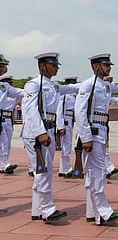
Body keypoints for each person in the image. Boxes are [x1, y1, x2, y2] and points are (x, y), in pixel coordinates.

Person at [75, 53, 118, 226]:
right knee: (97, 173)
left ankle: (94, 214)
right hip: (93, 132)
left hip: (102, 131)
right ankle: (104, 212)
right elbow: (79, 111)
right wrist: (86, 137)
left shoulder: (105, 86)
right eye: (106, 65)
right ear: (96, 66)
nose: (109, 68)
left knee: (94, 173)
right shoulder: (88, 84)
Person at [22, 52, 78, 223]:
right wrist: (40, 133)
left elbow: (74, 88)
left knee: (43, 171)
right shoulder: (33, 85)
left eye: (57, 64)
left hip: (48, 131)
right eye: (53, 64)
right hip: (37, 135)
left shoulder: (53, 85)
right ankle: (47, 209)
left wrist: (96, 83)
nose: (57, 67)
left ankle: (38, 209)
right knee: (43, 171)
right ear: (42, 66)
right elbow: (31, 110)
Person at [0, 73, 23, 174]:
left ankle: (3, 164)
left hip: (9, 119)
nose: (11, 84)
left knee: (8, 143)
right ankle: (4, 164)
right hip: (2, 117)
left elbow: (22, 94)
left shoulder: (13, 94)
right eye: (9, 83)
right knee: (3, 142)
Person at [56, 76, 78, 178]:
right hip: (65, 120)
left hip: (69, 119)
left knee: (66, 145)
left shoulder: (72, 94)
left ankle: (63, 169)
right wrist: (60, 126)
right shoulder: (64, 95)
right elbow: (59, 110)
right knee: (66, 146)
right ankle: (67, 169)